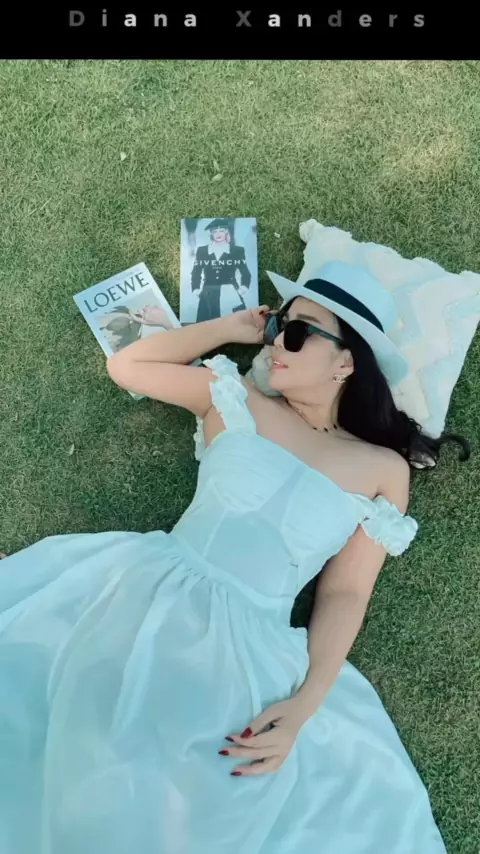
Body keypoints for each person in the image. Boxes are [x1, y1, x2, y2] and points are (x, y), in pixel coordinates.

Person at [0, 261, 467, 853]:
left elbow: (346, 593)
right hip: (149, 594)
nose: (277, 342)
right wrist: (232, 329)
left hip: (254, 647)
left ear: (346, 363)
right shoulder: (233, 397)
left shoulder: (382, 471)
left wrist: (304, 706)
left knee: (193, 805)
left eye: (297, 334)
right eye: (278, 327)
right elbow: (128, 366)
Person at [190, 217, 251, 322]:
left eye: (221, 231)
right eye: (215, 231)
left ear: (226, 231)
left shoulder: (237, 250)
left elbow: (245, 273)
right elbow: (196, 271)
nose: (218, 234)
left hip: (231, 291)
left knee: (236, 324)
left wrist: (243, 288)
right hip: (208, 293)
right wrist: (196, 289)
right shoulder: (202, 250)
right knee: (207, 325)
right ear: (210, 233)